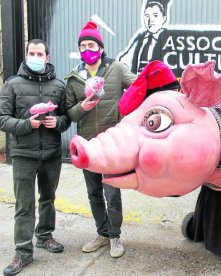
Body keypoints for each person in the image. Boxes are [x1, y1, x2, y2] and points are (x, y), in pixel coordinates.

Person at [65, 21, 136, 258]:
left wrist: (127, 113)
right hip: (88, 145)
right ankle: (102, 234)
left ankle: (115, 236)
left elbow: (137, 86)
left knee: (112, 192)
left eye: (92, 44)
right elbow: (69, 113)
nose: (88, 49)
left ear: (101, 48)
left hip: (112, 144)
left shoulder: (115, 68)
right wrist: (82, 106)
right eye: (83, 45)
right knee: (94, 193)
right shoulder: (75, 78)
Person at [0, 39, 70, 275]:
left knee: (48, 198)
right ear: (26, 55)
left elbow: (66, 118)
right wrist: (26, 124)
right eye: (32, 53)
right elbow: (2, 119)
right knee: (24, 205)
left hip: (51, 153)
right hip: (23, 155)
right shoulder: (12, 84)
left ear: (47, 58)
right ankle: (22, 252)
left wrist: (57, 122)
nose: (35, 57)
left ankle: (45, 236)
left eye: (40, 53)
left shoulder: (59, 86)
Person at [118, 0, 171, 73]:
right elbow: (124, 59)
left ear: (164, 18)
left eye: (155, 15)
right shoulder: (141, 38)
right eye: (147, 16)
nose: (150, 20)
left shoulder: (169, 38)